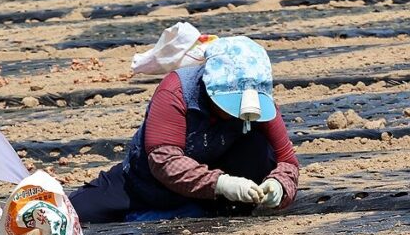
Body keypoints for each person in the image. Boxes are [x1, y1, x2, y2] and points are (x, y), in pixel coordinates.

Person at [70, 36, 299, 224]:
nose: (235, 112)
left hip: (217, 191)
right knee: (78, 212)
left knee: (258, 146)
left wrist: (279, 185)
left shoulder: (259, 104)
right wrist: (221, 184)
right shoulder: (176, 92)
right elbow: (164, 160)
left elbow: (287, 161)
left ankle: (215, 209)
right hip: (150, 184)